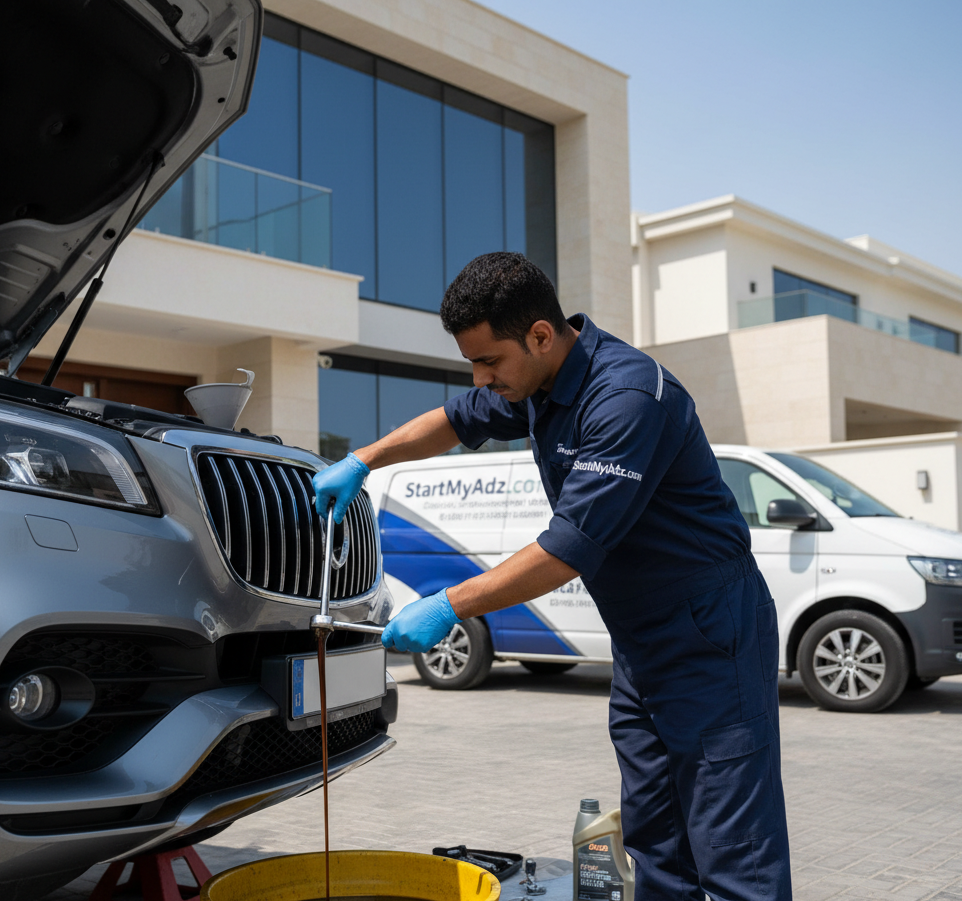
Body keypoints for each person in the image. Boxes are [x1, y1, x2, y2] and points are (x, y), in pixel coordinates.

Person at [313, 252, 791, 901]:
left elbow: (568, 549)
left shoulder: (625, 398)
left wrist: (451, 603)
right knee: (656, 841)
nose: (482, 379)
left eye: (490, 362)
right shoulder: (538, 384)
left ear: (540, 334)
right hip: (641, 641)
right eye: (473, 364)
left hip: (710, 634)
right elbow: (455, 421)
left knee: (734, 852)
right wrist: (365, 459)